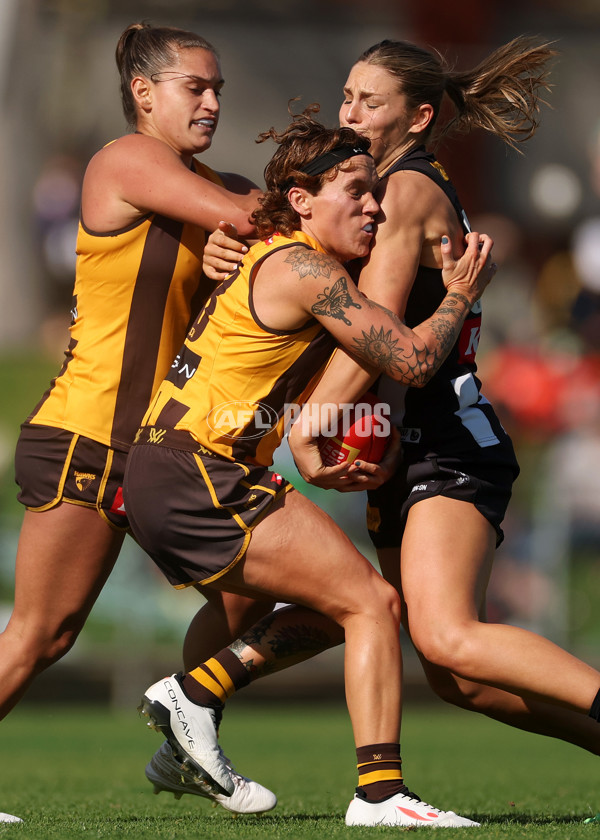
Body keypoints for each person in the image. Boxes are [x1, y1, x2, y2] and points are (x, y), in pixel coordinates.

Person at [198, 34, 600, 781]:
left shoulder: (410, 189)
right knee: (461, 680)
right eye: (347, 95)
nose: (349, 111)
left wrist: (311, 425)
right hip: (401, 446)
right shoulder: (368, 190)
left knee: (448, 638)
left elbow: (375, 344)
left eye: (368, 101)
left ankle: (348, 773)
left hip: (448, 438)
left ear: (418, 118)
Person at [122, 111, 496, 828]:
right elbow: (414, 359)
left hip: (173, 471)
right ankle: (380, 794)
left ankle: (193, 702)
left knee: (348, 605)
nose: (374, 206)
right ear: (301, 199)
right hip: (197, 470)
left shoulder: (280, 258)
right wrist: (460, 295)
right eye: (354, 191)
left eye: (375, 193)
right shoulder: (302, 266)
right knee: (376, 605)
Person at [0, 21, 278, 817]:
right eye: (197, 87)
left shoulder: (210, 185)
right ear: (143, 94)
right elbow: (268, 223)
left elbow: (264, 224)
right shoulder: (123, 161)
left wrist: (238, 240)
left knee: (247, 594)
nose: (213, 101)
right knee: (41, 636)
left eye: (218, 87)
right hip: (86, 435)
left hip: (161, 452)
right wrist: (242, 231)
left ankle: (185, 724)